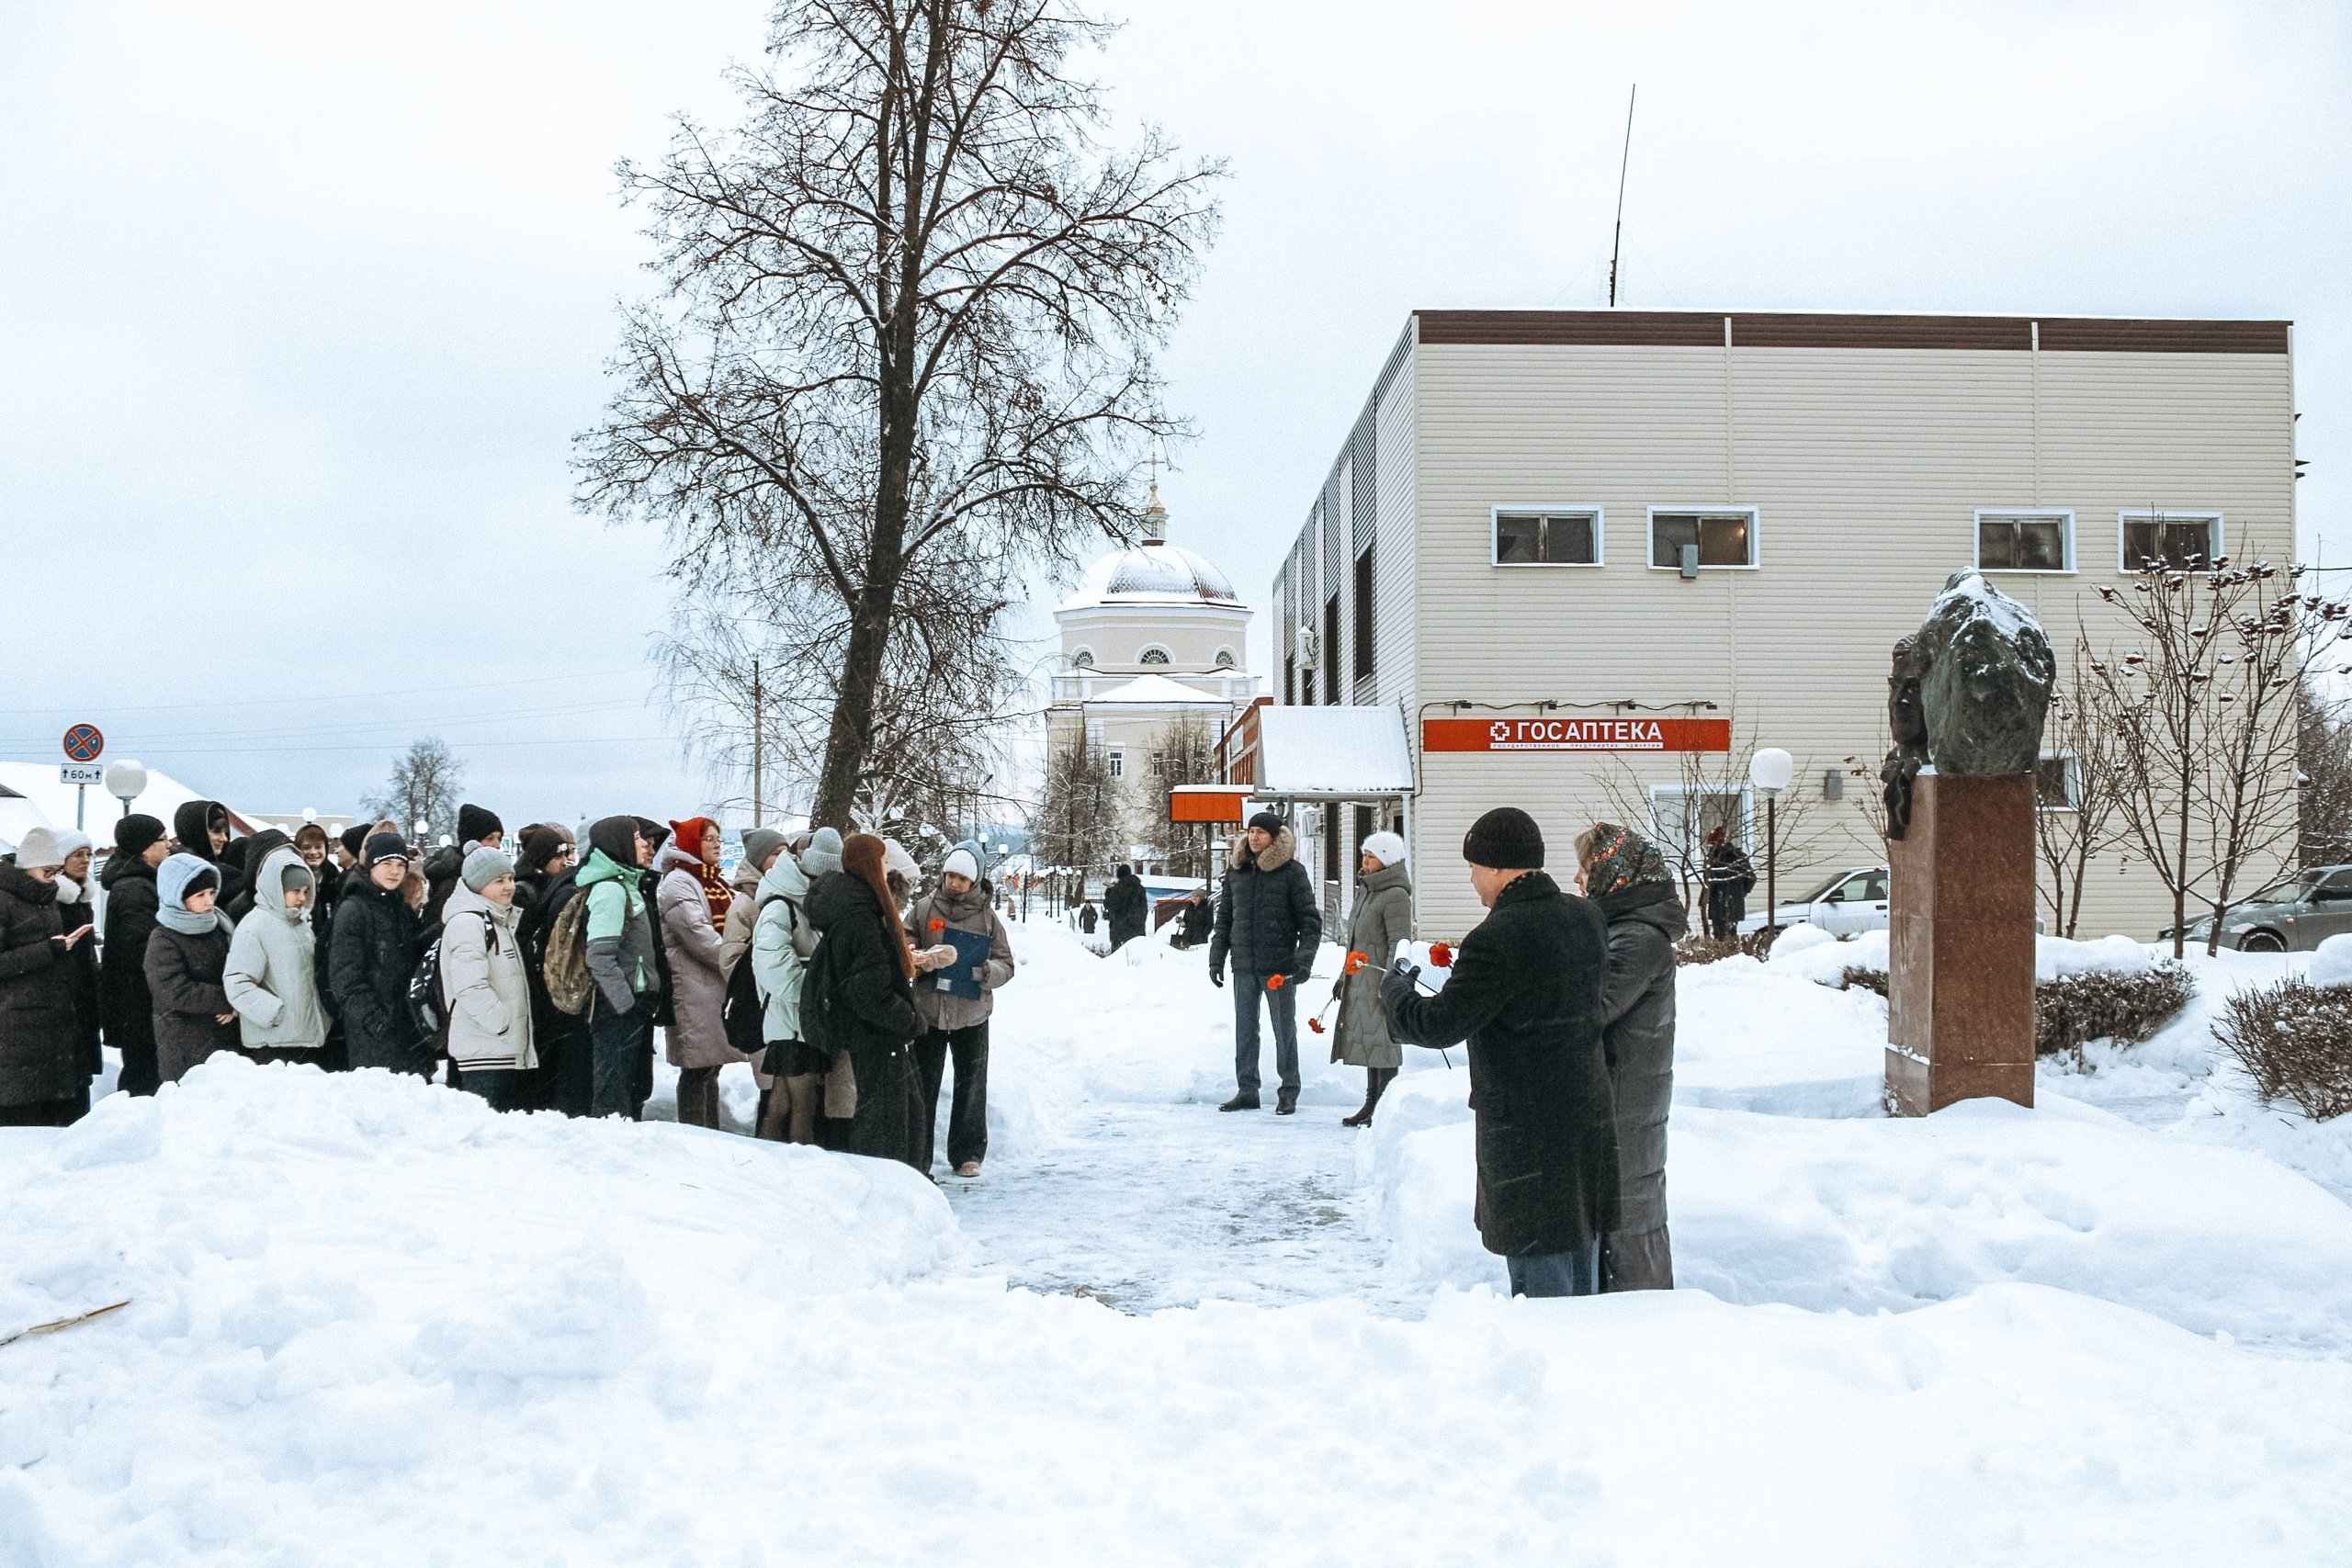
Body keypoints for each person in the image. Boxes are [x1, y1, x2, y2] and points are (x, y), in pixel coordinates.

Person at [1381, 807, 1622, 1300]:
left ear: (1496, 867)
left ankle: (1548, 1363)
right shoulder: (1586, 918)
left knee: (1541, 1277)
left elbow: (1439, 1024)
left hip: (1527, 1131)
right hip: (1585, 1116)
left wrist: (1396, 990)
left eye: (1473, 869)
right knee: (1581, 1258)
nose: (1471, 881)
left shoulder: (1497, 938)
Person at [1576, 823, 1685, 1292]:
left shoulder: (1637, 938)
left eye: (1583, 868)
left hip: (1626, 1102)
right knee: (1624, 1208)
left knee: (1629, 1213)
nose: (1577, 879)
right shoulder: (1626, 929)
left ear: (1610, 873)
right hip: (1627, 1094)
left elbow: (1593, 1010)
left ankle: (1639, 1316)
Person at [805, 832, 931, 1169]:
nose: (887, 867)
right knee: (887, 1121)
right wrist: (908, 1018)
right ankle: (889, 1190)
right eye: (883, 861)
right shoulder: (861, 918)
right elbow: (866, 989)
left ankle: (900, 1185)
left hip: (876, 1035)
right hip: (877, 1035)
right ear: (870, 865)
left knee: (898, 1114)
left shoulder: (859, 910)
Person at [906, 845, 1015, 1178]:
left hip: (972, 1013)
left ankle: (968, 1153)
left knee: (971, 1084)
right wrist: (916, 956)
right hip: (929, 1012)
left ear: (975, 881)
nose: (954, 883)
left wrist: (986, 973)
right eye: (951, 875)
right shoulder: (924, 909)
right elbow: (904, 940)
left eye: (962, 878)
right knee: (923, 1084)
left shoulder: (987, 918)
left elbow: (1006, 963)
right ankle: (917, 1155)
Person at [1208, 811, 1320, 1114]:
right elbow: (1225, 919)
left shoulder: (1292, 872)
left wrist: (1303, 960)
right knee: (1245, 1030)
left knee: (1284, 1030)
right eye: (1251, 831)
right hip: (1243, 964)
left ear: (1274, 837)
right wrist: (1216, 958)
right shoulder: (1237, 872)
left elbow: (1310, 922)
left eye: (1260, 832)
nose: (1254, 837)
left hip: (1279, 967)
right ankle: (1247, 1089)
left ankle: (1288, 1090)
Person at [0, 827, 96, 1125]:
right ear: (27, 866)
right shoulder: (5, 901)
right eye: (47, 871)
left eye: (56, 872)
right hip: (17, 1023)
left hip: (51, 1018)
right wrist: (49, 950)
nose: (53, 878)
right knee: (24, 1120)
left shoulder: (47, 899)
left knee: (59, 1114)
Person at [656, 816, 741, 1130]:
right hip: (693, 986)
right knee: (697, 1068)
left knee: (710, 1066)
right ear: (692, 843)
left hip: (712, 985)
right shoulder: (679, 882)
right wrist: (736, 961)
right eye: (709, 839)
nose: (717, 845)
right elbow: (697, 933)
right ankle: (697, 1134)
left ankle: (712, 1133)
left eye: (719, 838)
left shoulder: (713, 879)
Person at [440, 845, 537, 1111]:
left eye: (510, 879)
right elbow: (470, 987)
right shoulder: (469, 923)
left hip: (500, 1050)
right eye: (499, 881)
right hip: (486, 1051)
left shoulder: (496, 920)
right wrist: (502, 1023)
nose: (509, 887)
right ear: (478, 884)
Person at [329, 831, 431, 1076]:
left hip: (406, 1031)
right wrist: (376, 1021)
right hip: (372, 1035)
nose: (394, 871)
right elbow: (345, 977)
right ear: (371, 865)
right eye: (386, 864)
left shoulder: (401, 909)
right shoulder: (354, 910)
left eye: (400, 865)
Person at [580, 816, 662, 1119]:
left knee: (628, 1090)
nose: (644, 844)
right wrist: (626, 1005)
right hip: (617, 1009)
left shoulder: (627, 884)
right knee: (613, 1098)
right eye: (638, 837)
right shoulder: (611, 891)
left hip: (629, 1005)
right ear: (620, 844)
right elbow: (599, 957)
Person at [745, 829, 820, 1143]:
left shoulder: (799, 902)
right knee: (802, 1101)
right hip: (789, 1022)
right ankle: (798, 1169)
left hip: (790, 1021)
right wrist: (815, 992)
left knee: (782, 1100)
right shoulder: (781, 906)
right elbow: (773, 967)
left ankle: (769, 1162)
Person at [222, 843, 329, 1063]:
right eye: (295, 891)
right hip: (273, 1044)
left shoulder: (299, 924)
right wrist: (275, 1013)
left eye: (305, 891)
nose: (301, 898)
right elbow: (237, 983)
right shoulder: (255, 926)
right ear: (276, 888)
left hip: (305, 1038)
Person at [1332, 830, 1411, 1127]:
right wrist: (1344, 976)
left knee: (1385, 1045)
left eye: (1371, 856)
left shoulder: (1395, 896)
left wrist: (1392, 982)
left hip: (1380, 980)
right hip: (1361, 979)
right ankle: (1371, 1102)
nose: (1364, 861)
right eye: (1364, 855)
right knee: (1371, 1044)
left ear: (1387, 861)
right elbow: (1356, 941)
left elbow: (1399, 942)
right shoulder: (1368, 891)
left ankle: (1385, 1107)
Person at [146, 852, 241, 1084]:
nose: (209, 901)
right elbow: (173, 989)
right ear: (177, 896)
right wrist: (227, 999)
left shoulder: (218, 926)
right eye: (200, 895)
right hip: (185, 1041)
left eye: (212, 893)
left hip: (223, 1035)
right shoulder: (163, 938)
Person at [516, 822, 590, 1115]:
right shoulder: (525, 891)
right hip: (537, 989)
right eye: (558, 856)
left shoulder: (544, 885)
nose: (564, 863)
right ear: (541, 857)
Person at [98, 814, 171, 1097]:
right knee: (142, 1077)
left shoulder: (140, 882)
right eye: (162, 840)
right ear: (143, 848)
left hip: (136, 1003)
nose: (168, 846)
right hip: (138, 1003)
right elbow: (140, 949)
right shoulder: (134, 888)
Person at [51, 831, 102, 1090]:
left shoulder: (82, 898)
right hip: (66, 990)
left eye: (89, 854)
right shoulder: (54, 899)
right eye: (78, 855)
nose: (86, 860)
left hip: (83, 987)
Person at [424, 804, 504, 934]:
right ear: (471, 842)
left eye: (499, 838)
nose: (497, 845)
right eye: (489, 838)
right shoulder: (453, 882)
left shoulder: (482, 875)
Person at [172, 799, 246, 911]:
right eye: (216, 831)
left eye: (225, 832)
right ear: (197, 832)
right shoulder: (183, 874)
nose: (224, 838)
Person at [1702, 829, 1757, 941]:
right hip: (1731, 905)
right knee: (1729, 936)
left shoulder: (1715, 860)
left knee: (1721, 937)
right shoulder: (1738, 857)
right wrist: (1740, 893)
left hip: (1720, 905)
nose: (1710, 848)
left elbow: (1751, 878)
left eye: (1711, 845)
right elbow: (1751, 878)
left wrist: (1740, 893)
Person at [1103, 863, 1148, 951]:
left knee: (1119, 960)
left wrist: (1109, 892)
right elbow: (1144, 909)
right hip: (1138, 932)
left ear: (1119, 875)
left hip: (1119, 932)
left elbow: (1109, 905)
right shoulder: (1140, 889)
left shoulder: (1117, 889)